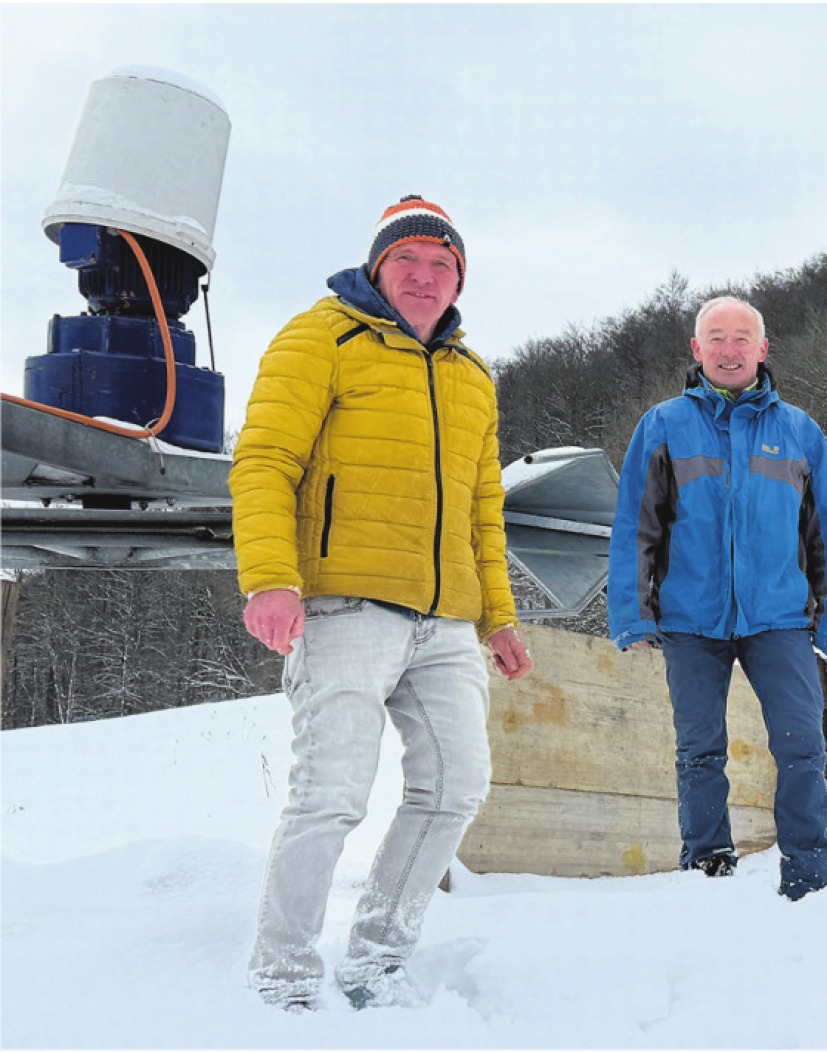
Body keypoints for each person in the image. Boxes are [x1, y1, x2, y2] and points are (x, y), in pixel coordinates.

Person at [230, 195, 531, 1012]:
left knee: (456, 787)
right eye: (409, 261)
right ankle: (282, 975)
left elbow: (482, 508)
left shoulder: (472, 376)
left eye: (444, 265)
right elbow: (264, 460)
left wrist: (498, 616)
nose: (426, 277)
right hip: (343, 608)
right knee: (331, 794)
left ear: (459, 278)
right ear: (377, 266)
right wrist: (270, 578)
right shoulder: (319, 335)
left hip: (446, 624)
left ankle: (377, 960)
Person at [608, 295, 827, 901]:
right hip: (692, 620)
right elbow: (636, 526)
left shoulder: (799, 432)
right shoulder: (663, 425)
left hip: (780, 619)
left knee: (802, 748)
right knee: (699, 752)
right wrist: (634, 614)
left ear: (763, 349)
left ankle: (808, 880)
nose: (729, 348)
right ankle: (708, 874)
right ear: (696, 350)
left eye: (742, 337)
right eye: (715, 337)